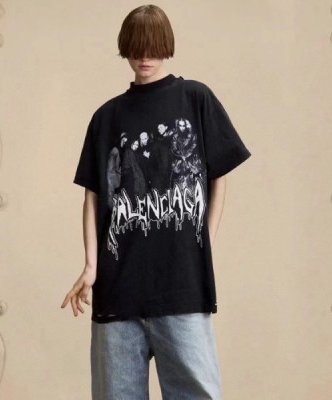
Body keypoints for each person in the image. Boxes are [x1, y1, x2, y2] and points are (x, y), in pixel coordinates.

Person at [61, 4, 251, 399]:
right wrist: (91, 266)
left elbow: (219, 177)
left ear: (167, 45)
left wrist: (204, 243)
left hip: (182, 288)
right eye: (135, 48)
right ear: (124, 48)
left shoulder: (195, 98)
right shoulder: (106, 118)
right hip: (118, 292)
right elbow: (93, 197)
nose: (144, 57)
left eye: (152, 47)